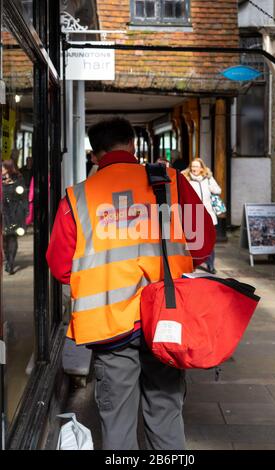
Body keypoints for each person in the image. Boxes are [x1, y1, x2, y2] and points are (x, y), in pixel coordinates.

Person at [46, 117, 215, 450]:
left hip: (111, 326)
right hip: (165, 319)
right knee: (166, 413)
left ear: (95, 155)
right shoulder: (169, 182)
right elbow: (203, 242)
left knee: (118, 423)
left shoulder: (78, 198)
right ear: (133, 146)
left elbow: (60, 266)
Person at [182, 158, 221, 274]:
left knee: (209, 240)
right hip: (193, 214)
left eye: (197, 166)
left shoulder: (208, 179)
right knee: (192, 241)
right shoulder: (186, 179)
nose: (194, 169)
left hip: (208, 215)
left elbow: (218, 190)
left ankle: (210, 264)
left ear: (202, 168)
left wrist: (210, 186)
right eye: (193, 166)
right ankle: (192, 263)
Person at [2, 159, 27, 275]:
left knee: (12, 237)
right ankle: (7, 259)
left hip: (15, 213)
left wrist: (24, 211)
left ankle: (10, 263)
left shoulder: (18, 179)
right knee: (5, 240)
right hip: (3, 213)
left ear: (8, 168)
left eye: (2, 167)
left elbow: (23, 197)